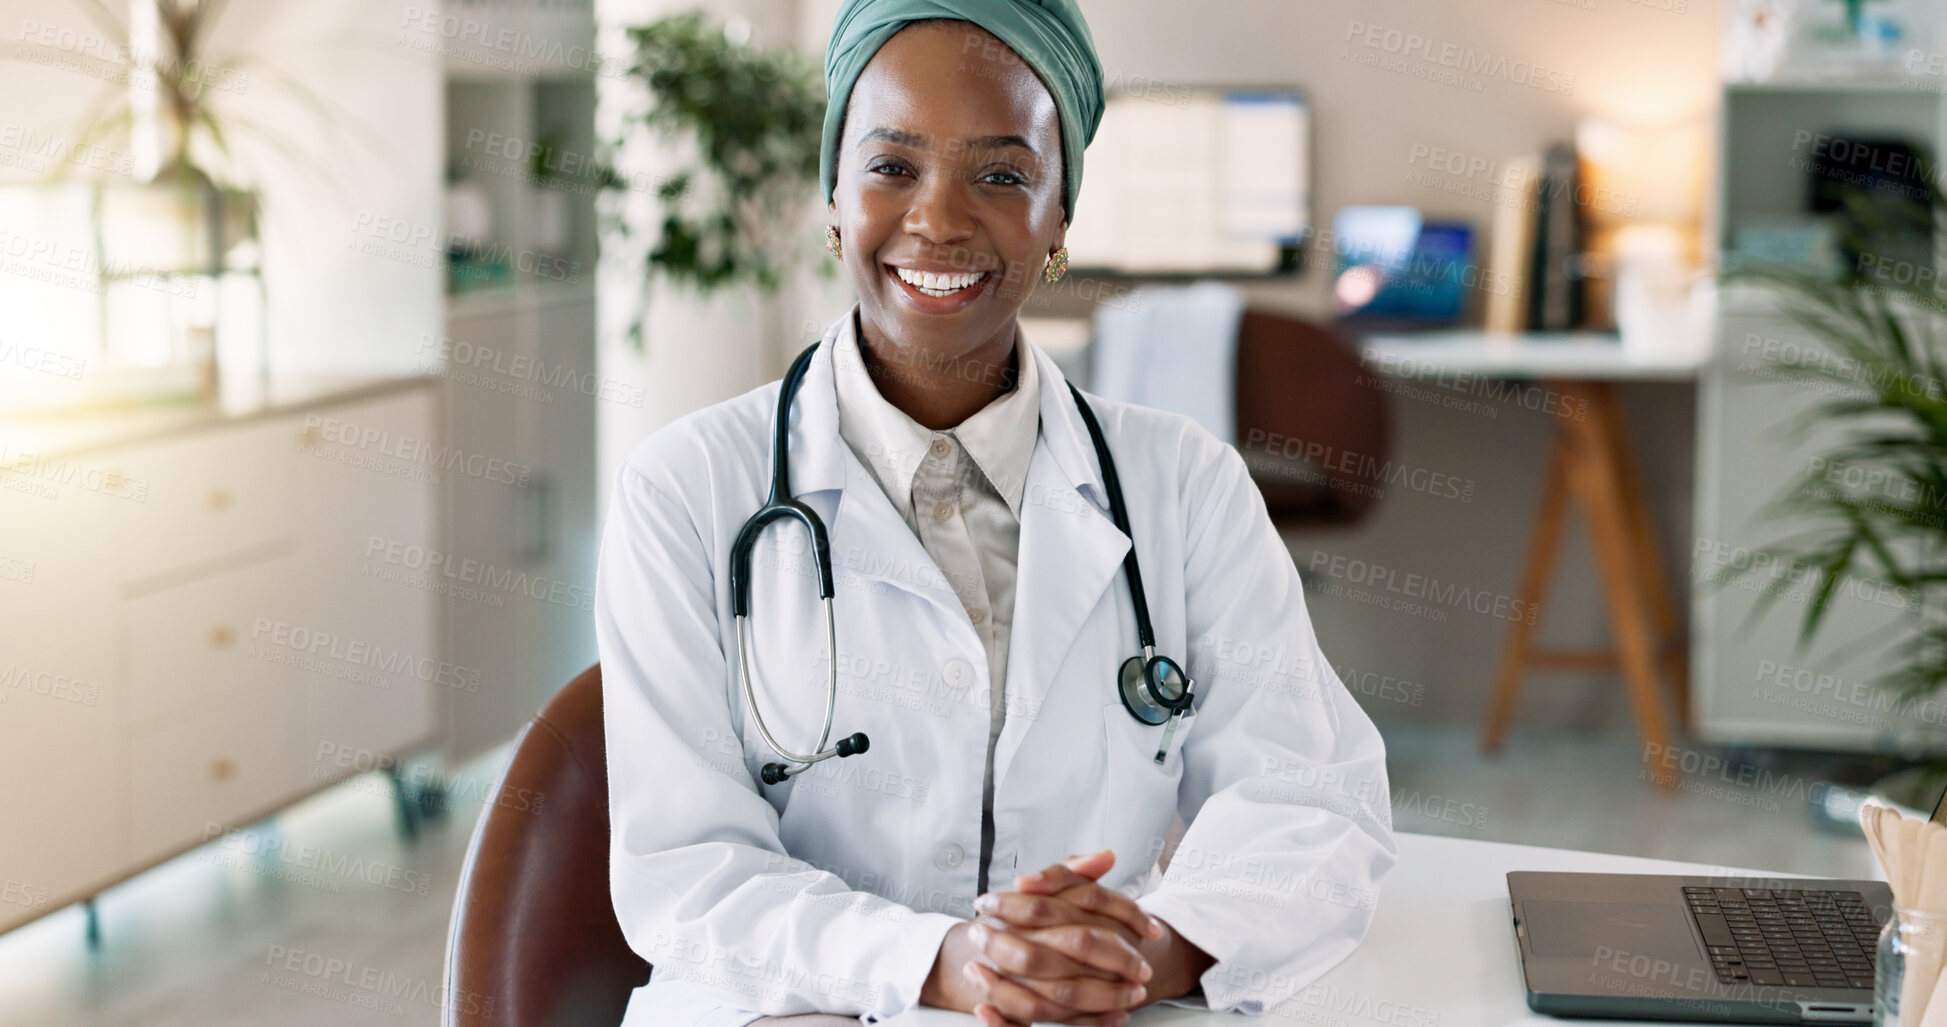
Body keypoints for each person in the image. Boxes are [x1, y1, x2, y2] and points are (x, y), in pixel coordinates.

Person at [594, 2, 1397, 1025]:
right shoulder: (685, 491)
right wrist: (939, 960)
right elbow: (684, 869)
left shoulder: (1187, 483)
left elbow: (1313, 800)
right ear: (833, 195)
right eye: (891, 166)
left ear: (1061, 217)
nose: (938, 218)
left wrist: (1144, 949)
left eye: (1003, 174)